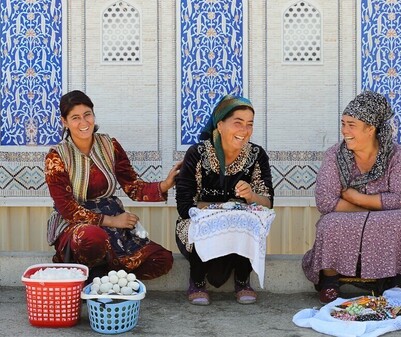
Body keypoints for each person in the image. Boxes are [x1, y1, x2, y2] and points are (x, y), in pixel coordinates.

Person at [302, 91, 401, 304]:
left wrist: (355, 198)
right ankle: (329, 282)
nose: (345, 131)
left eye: (351, 125)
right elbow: (325, 201)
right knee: (330, 223)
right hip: (360, 216)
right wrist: (373, 209)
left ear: (370, 128)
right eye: (343, 124)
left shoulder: (396, 155)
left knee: (400, 220)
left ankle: (397, 282)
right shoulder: (335, 155)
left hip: (378, 215)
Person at [45, 90, 181, 281]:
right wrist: (113, 221)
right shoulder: (57, 156)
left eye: (87, 115)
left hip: (114, 222)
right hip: (76, 226)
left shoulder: (110, 145)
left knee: (162, 259)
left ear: (93, 115)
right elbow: (67, 208)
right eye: (75, 118)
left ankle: (107, 280)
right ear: (64, 122)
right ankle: (97, 277)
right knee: (92, 238)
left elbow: (133, 186)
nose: (83, 123)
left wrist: (165, 184)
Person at [175, 95, 274, 306]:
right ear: (220, 125)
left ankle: (242, 280)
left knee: (249, 220)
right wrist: (222, 209)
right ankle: (197, 281)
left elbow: (267, 202)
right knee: (197, 222)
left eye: (249, 125)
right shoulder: (198, 154)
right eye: (237, 123)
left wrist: (251, 196)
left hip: (237, 230)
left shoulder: (256, 155)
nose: (244, 130)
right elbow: (185, 206)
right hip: (204, 227)